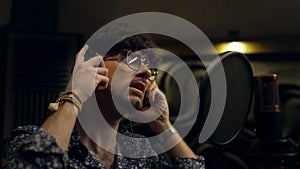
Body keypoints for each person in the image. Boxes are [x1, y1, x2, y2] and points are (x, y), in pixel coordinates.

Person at [3, 25, 205, 169]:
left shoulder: (139, 154)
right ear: (95, 65)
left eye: (151, 69)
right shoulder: (29, 138)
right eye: (132, 59)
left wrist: (162, 123)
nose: (145, 72)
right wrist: (74, 95)